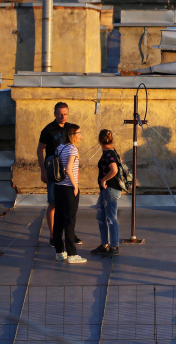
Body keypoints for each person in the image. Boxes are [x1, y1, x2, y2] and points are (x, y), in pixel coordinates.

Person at [37, 102, 81, 247]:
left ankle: (70, 234)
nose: (63, 116)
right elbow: (40, 150)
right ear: (55, 114)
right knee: (53, 203)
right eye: (60, 114)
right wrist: (43, 171)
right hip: (54, 171)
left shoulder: (70, 128)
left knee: (69, 205)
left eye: (65, 114)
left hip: (68, 173)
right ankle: (52, 236)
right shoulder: (48, 130)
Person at [53, 123, 86, 264]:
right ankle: (72, 254)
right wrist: (75, 186)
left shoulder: (59, 148)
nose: (80, 136)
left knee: (59, 220)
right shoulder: (72, 149)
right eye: (78, 133)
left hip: (58, 187)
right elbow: (68, 169)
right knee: (70, 220)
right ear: (72, 135)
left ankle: (59, 252)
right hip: (68, 187)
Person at [91, 129, 121, 259]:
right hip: (106, 190)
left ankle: (114, 246)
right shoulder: (111, 152)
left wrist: (104, 179)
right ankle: (105, 245)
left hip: (110, 189)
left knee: (110, 218)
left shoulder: (109, 153)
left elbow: (114, 170)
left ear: (99, 140)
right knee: (101, 217)